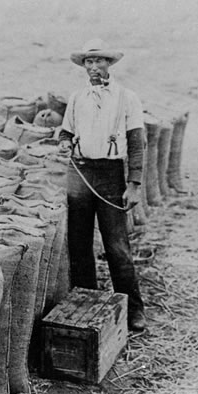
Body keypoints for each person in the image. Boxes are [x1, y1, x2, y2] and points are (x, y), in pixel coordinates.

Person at [58, 39, 146, 332]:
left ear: (110, 65)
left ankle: (133, 309)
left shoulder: (127, 97)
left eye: (99, 62)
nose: (94, 67)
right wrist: (64, 142)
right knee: (79, 244)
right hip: (80, 173)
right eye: (89, 62)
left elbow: (136, 143)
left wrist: (134, 183)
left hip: (111, 175)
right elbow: (66, 131)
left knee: (117, 246)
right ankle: (88, 305)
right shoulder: (77, 97)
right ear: (84, 67)